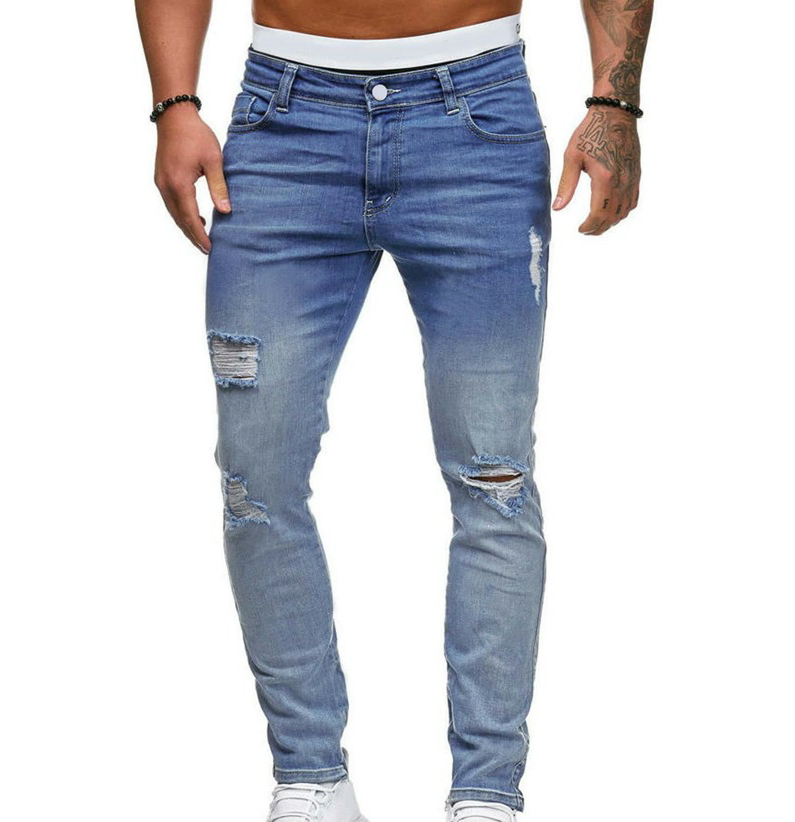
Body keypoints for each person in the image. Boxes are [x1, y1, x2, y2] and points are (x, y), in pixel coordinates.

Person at [135, 1, 652, 820]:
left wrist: (614, 100)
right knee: (255, 475)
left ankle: (487, 794)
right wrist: (174, 102)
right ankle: (311, 778)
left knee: (494, 477)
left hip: (475, 117)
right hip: (285, 124)